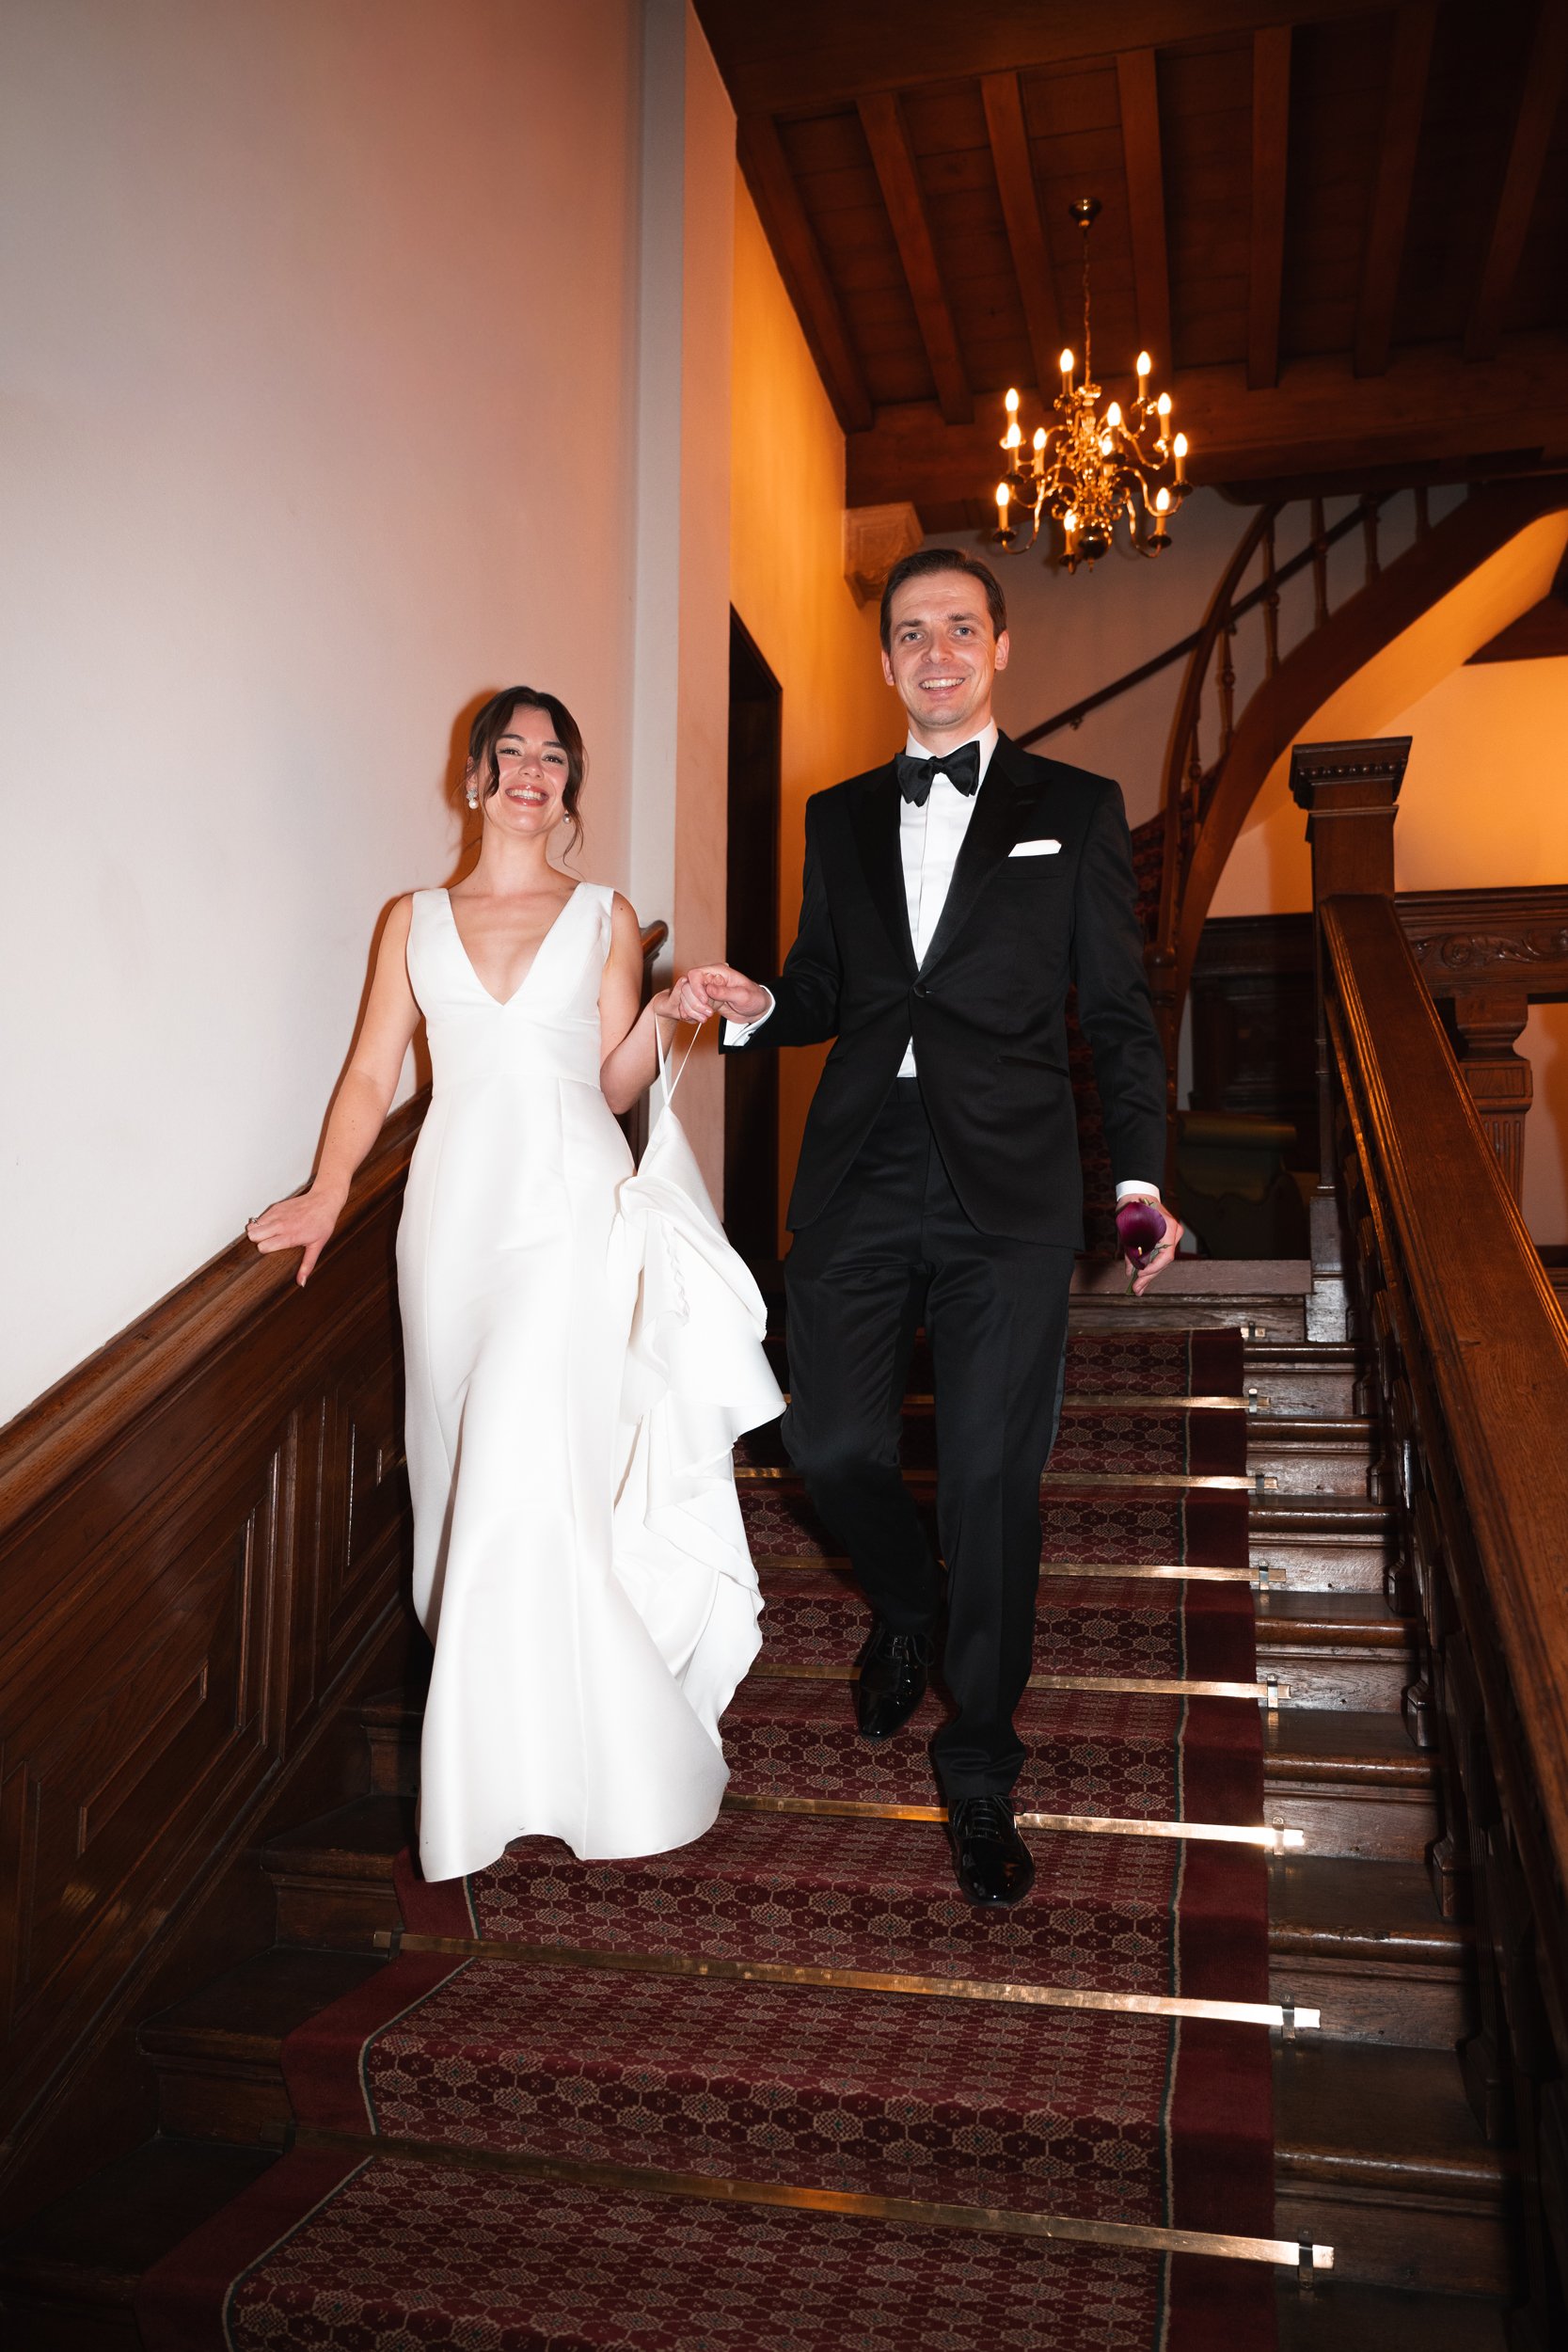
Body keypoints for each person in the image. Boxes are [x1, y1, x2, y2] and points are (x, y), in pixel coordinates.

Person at [674, 549, 1182, 1908]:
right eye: (911, 633)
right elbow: (825, 987)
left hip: (1009, 1187)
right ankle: (905, 1606)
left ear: (998, 646)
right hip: (859, 1167)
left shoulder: (1074, 808)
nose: (937, 652)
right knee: (828, 1445)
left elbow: (1116, 1014)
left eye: (960, 628)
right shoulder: (837, 814)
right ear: (886, 658)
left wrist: (1135, 1181)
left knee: (988, 1483)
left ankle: (978, 1767)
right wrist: (758, 1007)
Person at [248, 687, 781, 1882]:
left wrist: (663, 1008)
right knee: (456, 1478)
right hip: (450, 1221)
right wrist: (329, 1191)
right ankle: (521, 1748)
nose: (532, 771)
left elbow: (609, 1082)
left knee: (524, 1468)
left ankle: (579, 1769)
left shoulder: (604, 913)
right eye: (511, 752)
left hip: (568, 1213)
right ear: (474, 777)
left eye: (553, 756)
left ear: (566, 785)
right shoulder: (411, 919)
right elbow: (370, 1071)